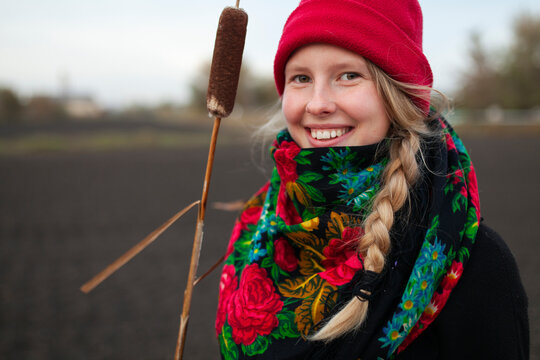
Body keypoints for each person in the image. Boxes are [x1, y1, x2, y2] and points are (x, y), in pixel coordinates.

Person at [215, 1, 529, 359]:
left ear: (399, 95)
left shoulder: (478, 266)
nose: (317, 104)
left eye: (348, 75)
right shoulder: (256, 229)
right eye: (301, 78)